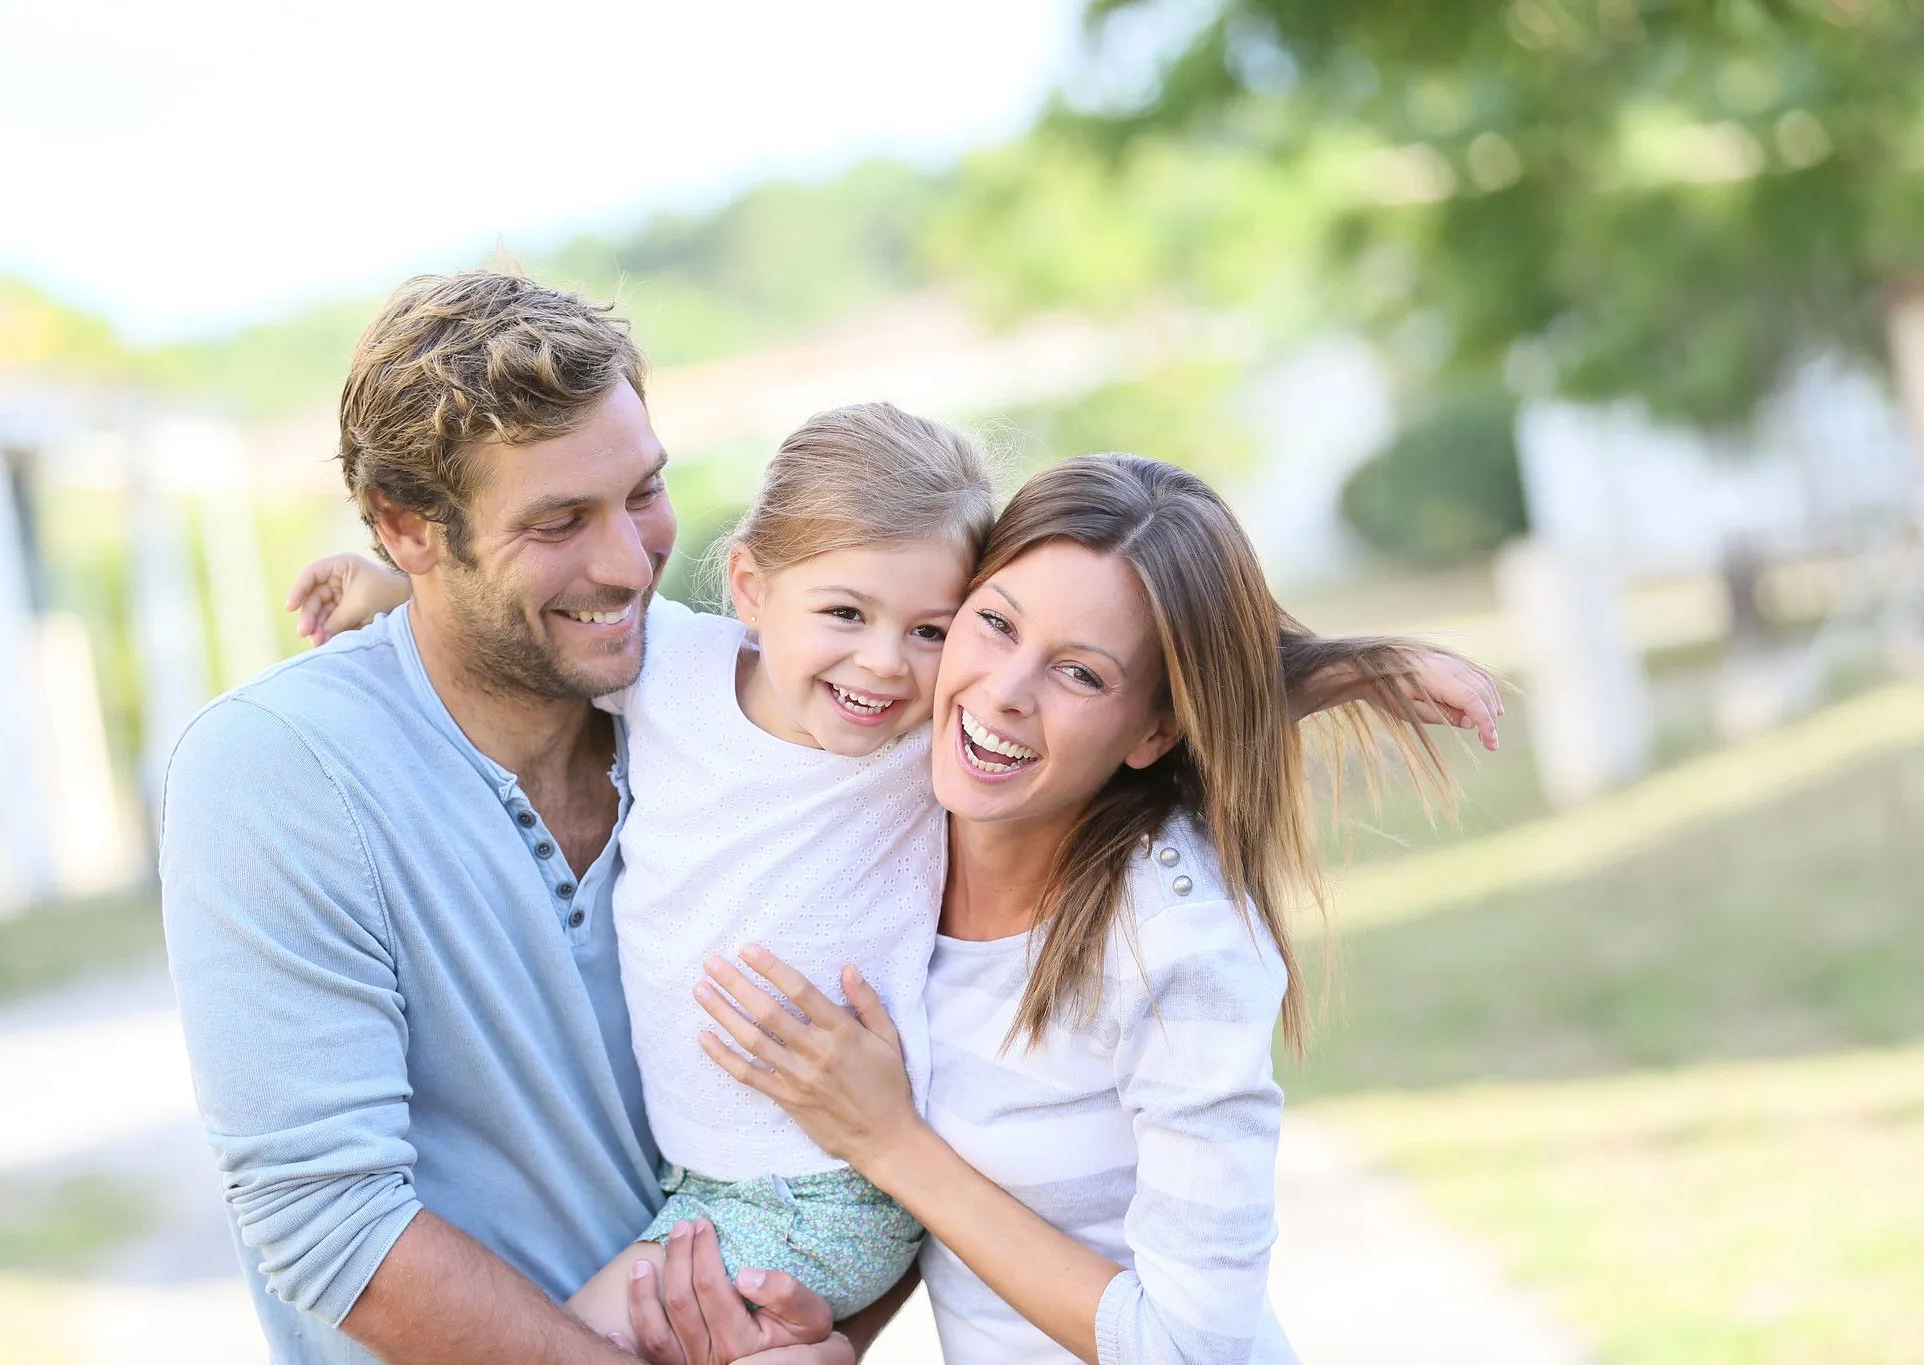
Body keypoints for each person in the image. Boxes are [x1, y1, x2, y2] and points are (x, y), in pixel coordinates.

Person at [161, 271, 854, 1365]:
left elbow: (890, 1095)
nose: (627, 562)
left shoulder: (736, 719)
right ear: (408, 533)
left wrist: (828, 1331)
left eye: (642, 492)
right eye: (556, 521)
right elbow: (331, 1229)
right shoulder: (277, 770)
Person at [688, 454, 1476, 1363]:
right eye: (993, 624)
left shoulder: (1178, 947)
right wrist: (837, 1334)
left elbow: (1193, 1348)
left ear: (1153, 731)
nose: (1004, 692)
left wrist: (890, 1140)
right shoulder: (905, 816)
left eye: (1080, 675)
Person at [300, 400, 996, 1338]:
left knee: (569, 1344)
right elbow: (526, 622)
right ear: (749, 585)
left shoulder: (928, 751)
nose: (883, 663)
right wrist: (386, 590)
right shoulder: (674, 667)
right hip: (704, 1177)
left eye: (931, 630)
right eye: (844, 612)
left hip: (828, 1188)